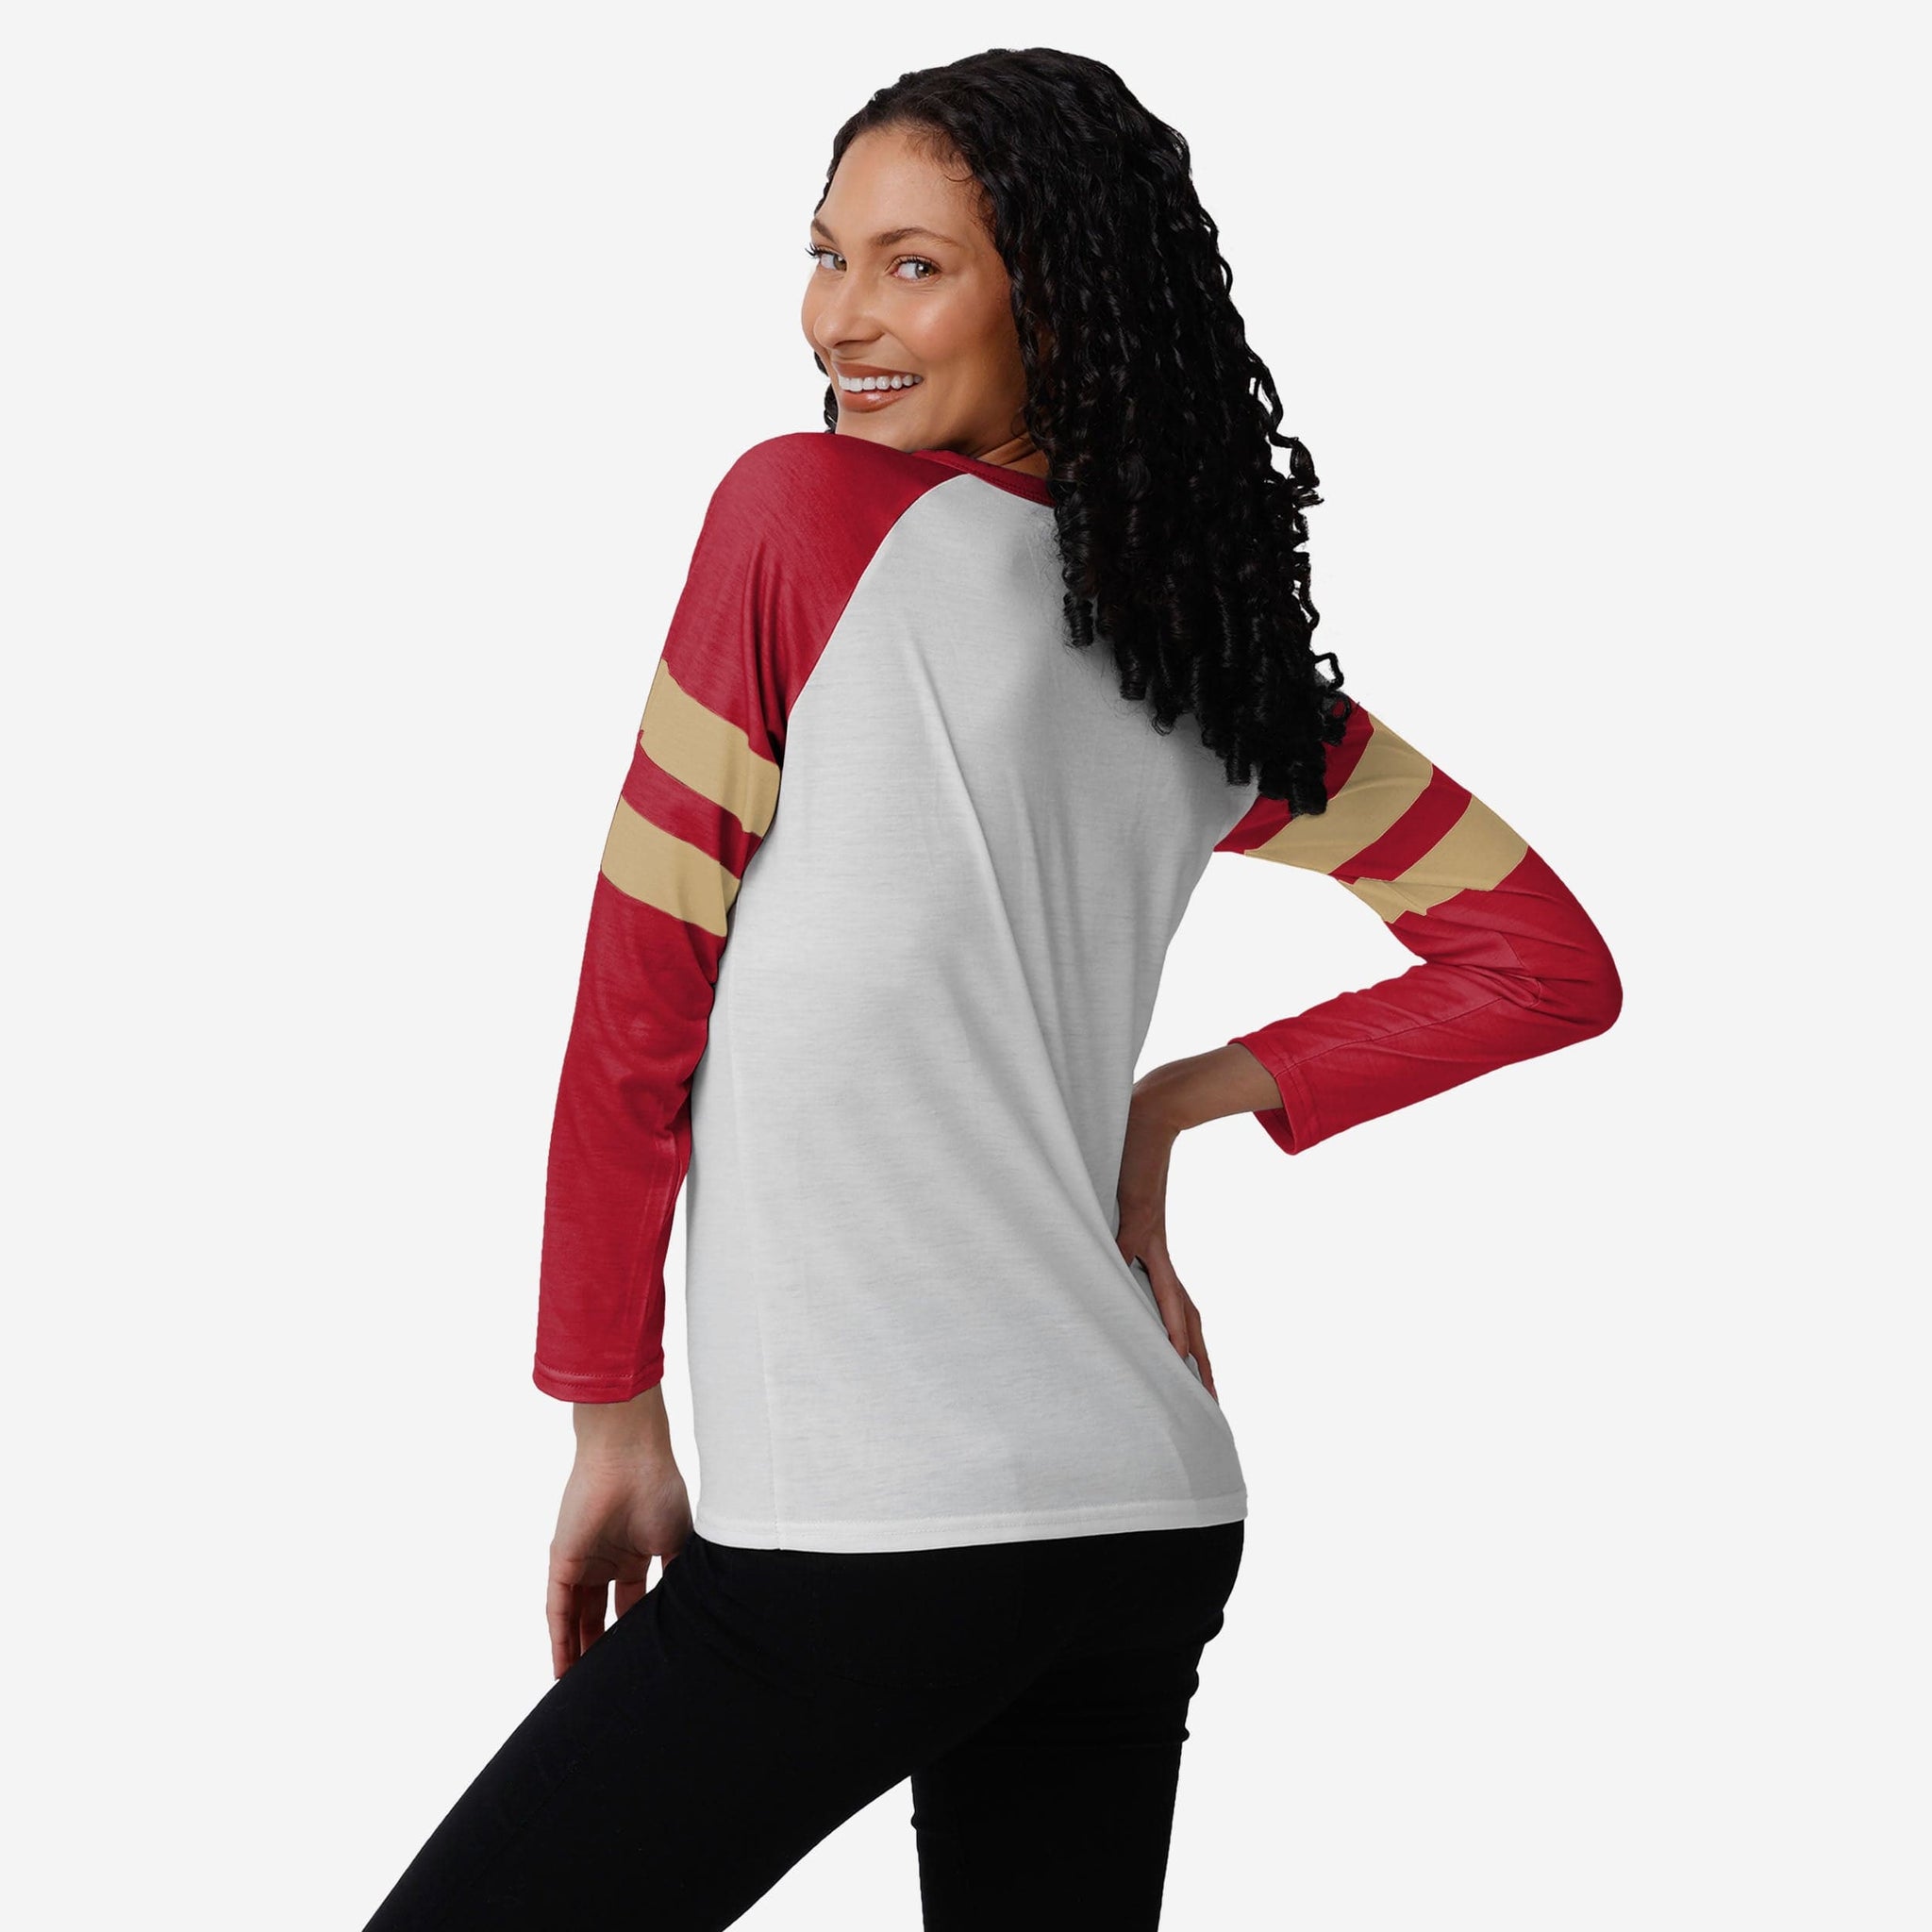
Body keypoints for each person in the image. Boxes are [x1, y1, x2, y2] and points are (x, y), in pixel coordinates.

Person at [361, 46, 1622, 1932]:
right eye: (825, 255)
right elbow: (1537, 956)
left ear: (1064, 295)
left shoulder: (798, 517)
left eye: (915, 267)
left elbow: (638, 1007)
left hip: (872, 1529)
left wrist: (608, 1409)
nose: (838, 321)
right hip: (1145, 1518)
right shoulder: (1211, 659)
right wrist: (1178, 1102)